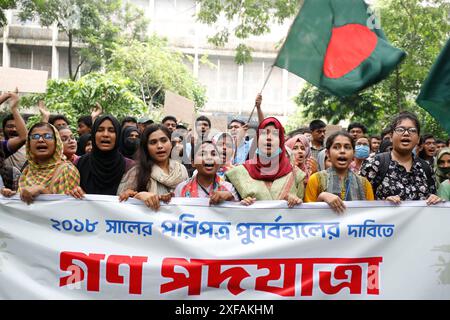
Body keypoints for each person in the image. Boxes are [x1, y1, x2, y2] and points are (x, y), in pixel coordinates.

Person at [360, 112, 442, 205]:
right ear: (391, 136)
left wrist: (434, 200)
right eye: (400, 129)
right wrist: (383, 204)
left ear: (418, 139)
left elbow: (432, 200)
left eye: (412, 130)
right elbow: (360, 202)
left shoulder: (426, 168)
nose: (406, 133)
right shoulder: (374, 163)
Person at [226, 117, 305, 208]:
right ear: (257, 139)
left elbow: (303, 212)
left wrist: (296, 201)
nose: (269, 138)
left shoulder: (296, 174)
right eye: (264, 133)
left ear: (281, 140)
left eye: (275, 134)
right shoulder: (238, 173)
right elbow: (228, 208)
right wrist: (240, 203)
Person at [117, 124, 188, 210]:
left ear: (171, 144)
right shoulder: (137, 172)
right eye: (153, 142)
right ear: (146, 147)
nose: (159, 146)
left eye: (164, 140)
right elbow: (120, 206)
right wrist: (138, 196)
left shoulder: (181, 170)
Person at [304, 132, 374, 213]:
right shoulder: (316, 179)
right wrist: (321, 197)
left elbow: (370, 214)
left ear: (354, 153)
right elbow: (307, 215)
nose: (342, 151)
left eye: (347, 147)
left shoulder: (364, 184)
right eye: (336, 147)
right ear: (328, 153)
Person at [12, 123, 80, 204]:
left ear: (57, 142)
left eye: (47, 136)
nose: (40, 140)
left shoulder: (67, 170)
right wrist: (9, 197)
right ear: (28, 144)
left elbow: (70, 207)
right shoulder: (27, 171)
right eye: (35, 137)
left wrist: (42, 190)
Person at [70, 115, 134, 197]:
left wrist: (133, 194)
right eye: (100, 130)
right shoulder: (79, 164)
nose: (105, 134)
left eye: (111, 130)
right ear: (93, 134)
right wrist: (74, 191)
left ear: (118, 135)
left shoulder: (130, 167)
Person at [174, 141, 239, 204]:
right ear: (193, 162)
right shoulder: (181, 188)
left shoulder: (229, 189)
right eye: (202, 154)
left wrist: (230, 196)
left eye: (213, 154)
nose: (209, 157)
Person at [0, 92, 27, 172]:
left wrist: (14, 108)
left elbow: (23, 137)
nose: (14, 130)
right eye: (10, 126)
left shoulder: (1, 147)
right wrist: (5, 96)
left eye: (16, 127)